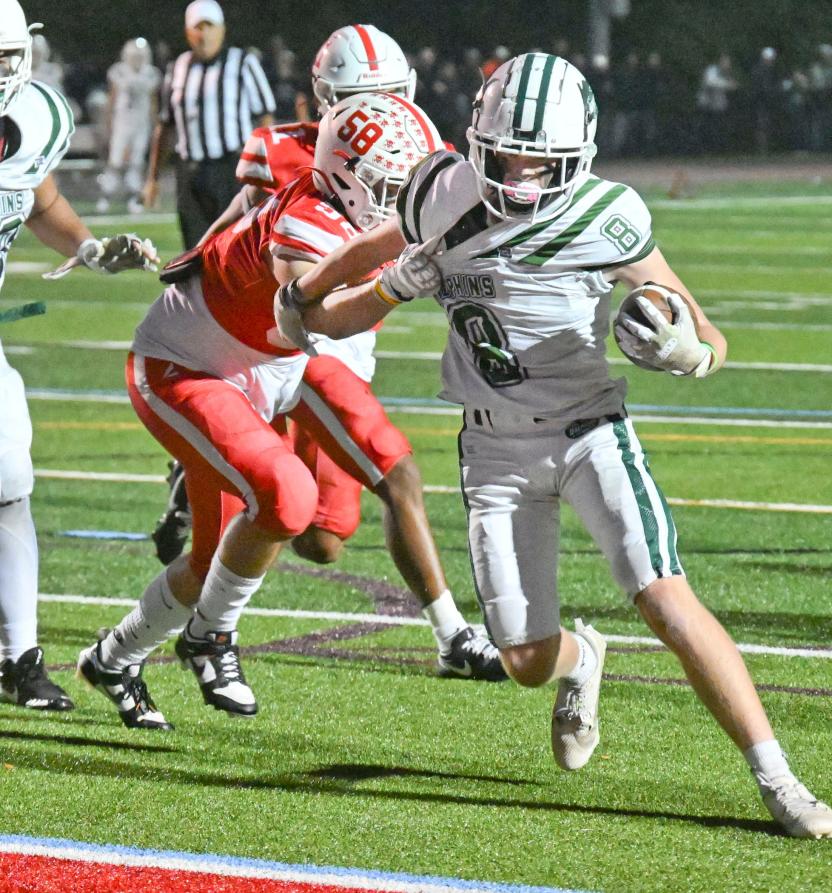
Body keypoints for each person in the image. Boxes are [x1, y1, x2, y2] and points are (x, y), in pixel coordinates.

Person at [276, 52, 832, 840]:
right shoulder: (439, 194)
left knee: (664, 596)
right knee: (525, 659)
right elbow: (355, 281)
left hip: (590, 434)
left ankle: (779, 778)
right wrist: (328, 296)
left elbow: (705, 330)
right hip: (495, 453)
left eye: (542, 163)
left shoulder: (608, 216)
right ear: (478, 143)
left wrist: (688, 351)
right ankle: (583, 659)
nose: (522, 177)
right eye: (507, 157)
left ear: (577, 158)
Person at [78, 92, 495, 733]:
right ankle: (211, 637)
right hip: (190, 367)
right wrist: (399, 282)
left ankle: (112, 659)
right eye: (388, 182)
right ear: (348, 175)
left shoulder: (345, 199)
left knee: (211, 560)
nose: (399, 194)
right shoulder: (307, 227)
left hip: (268, 367)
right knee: (288, 497)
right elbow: (323, 316)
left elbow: (399, 234)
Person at [150, 24, 503, 683]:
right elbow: (238, 228)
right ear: (324, 105)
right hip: (303, 349)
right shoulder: (284, 154)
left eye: (390, 99)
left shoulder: (422, 153)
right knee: (395, 475)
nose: (379, 119)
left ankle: (209, 472)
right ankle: (454, 635)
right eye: (360, 103)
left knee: (322, 538)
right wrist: (189, 268)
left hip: (344, 346)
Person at [0, 0, 158, 712]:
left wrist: (91, 249)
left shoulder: (33, 116)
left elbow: (37, 198)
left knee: (9, 483)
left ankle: (19, 656)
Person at [142, 0, 275, 249]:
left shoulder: (242, 63)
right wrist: (153, 178)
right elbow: (165, 126)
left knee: (237, 247)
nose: (204, 34)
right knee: (195, 251)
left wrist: (268, 170)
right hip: (189, 174)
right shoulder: (177, 67)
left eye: (209, 27)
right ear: (187, 32)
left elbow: (265, 120)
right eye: (198, 28)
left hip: (233, 171)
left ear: (222, 30)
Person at [96, 38, 161, 214]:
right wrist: (108, 123)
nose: (137, 60)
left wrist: (155, 124)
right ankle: (106, 196)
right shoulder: (119, 71)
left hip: (142, 123)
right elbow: (112, 98)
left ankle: (134, 197)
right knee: (115, 160)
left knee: (136, 162)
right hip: (122, 122)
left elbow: (153, 102)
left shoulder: (151, 74)